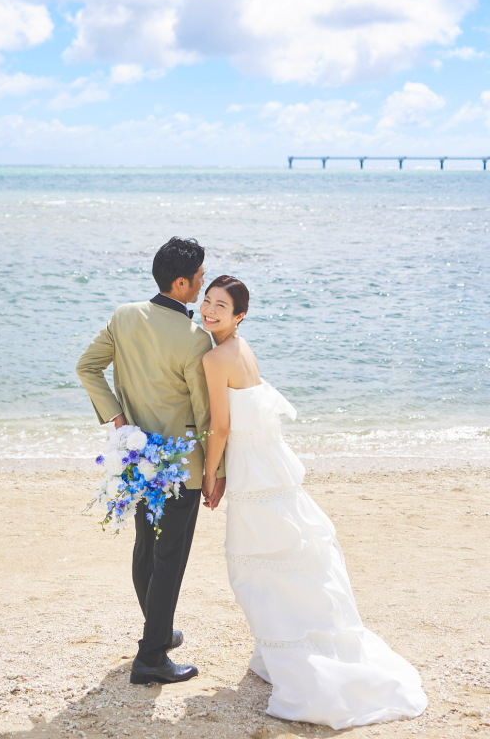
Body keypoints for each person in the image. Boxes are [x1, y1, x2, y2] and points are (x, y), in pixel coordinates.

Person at [199, 274, 428, 730]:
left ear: (239, 315)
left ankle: (295, 656)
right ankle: (282, 646)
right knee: (286, 555)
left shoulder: (214, 357)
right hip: (268, 464)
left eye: (220, 306)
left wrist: (209, 476)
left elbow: (221, 428)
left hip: (252, 471)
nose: (208, 310)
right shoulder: (243, 349)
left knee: (256, 561)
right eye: (206, 301)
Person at [76, 237, 225, 686]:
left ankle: (156, 631)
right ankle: (151, 657)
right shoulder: (195, 339)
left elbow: (87, 367)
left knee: (146, 547)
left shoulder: (123, 316)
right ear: (180, 283)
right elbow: (204, 415)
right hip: (181, 466)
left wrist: (119, 421)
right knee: (170, 559)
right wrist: (216, 472)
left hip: (136, 456)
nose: (202, 283)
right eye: (199, 277)